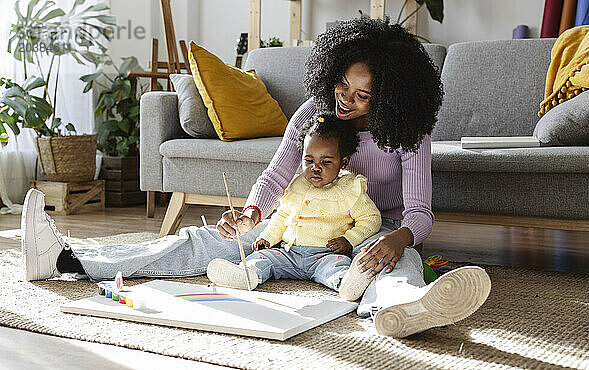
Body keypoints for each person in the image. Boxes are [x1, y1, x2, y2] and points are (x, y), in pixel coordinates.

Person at [21, 17, 491, 338]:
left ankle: (404, 309)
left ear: (388, 98)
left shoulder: (410, 131)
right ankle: (68, 257)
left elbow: (419, 211)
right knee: (202, 243)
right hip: (294, 223)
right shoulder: (313, 114)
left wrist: (400, 238)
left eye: (363, 95)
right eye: (341, 85)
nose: (345, 100)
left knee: (392, 263)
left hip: (368, 229)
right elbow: (277, 174)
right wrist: (250, 213)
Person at [207, 114, 381, 300]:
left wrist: (349, 239)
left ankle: (347, 284)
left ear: (343, 162)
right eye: (309, 161)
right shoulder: (296, 184)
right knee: (264, 258)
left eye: (326, 162)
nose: (315, 168)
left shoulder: (350, 188)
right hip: (288, 252)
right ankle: (246, 275)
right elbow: (281, 217)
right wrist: (267, 237)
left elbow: (371, 219)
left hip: (325, 254)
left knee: (336, 267)